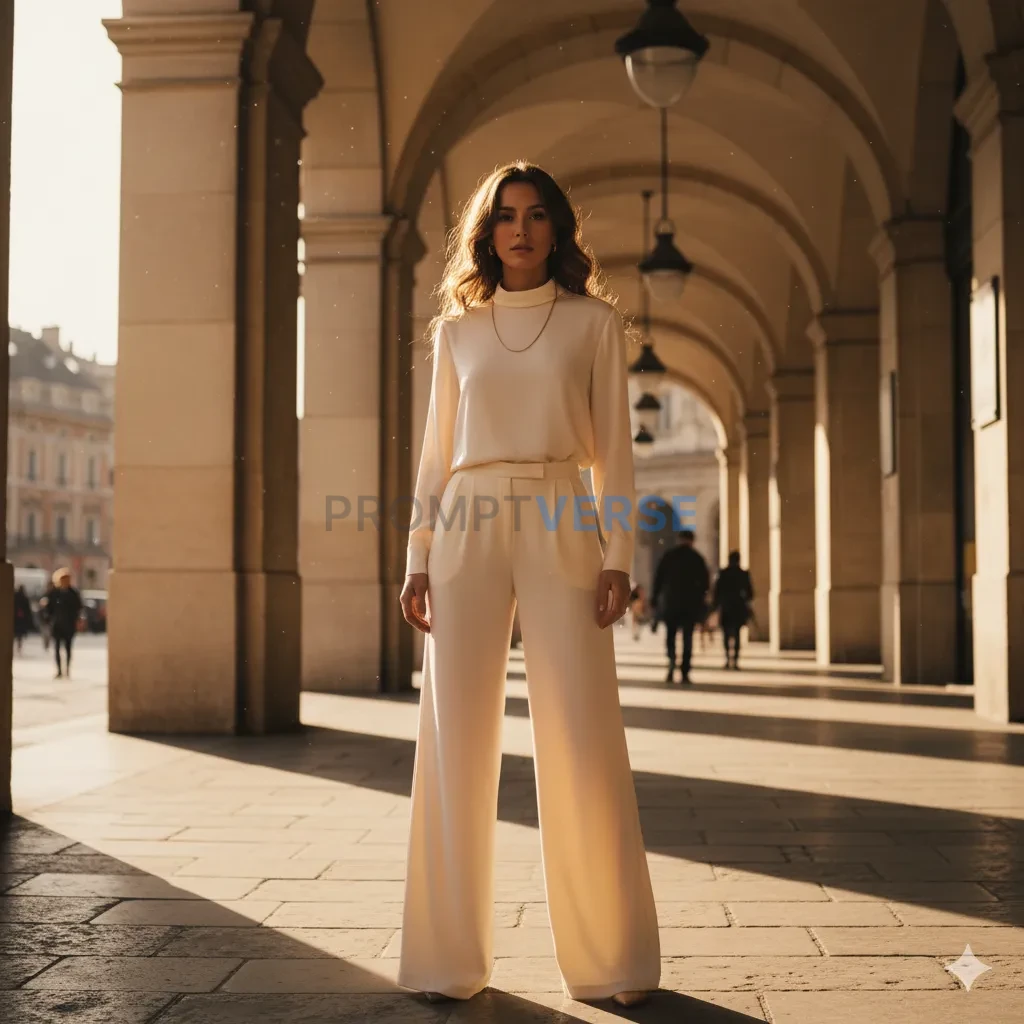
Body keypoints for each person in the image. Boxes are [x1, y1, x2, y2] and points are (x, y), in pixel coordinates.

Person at [398, 163, 660, 1008]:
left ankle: (609, 961)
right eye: (506, 215)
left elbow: (615, 450)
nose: (521, 229)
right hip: (467, 517)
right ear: (486, 230)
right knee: (453, 740)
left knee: (582, 733)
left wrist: (619, 552)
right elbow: (436, 454)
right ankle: (445, 961)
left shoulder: (592, 324)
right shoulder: (457, 333)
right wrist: (416, 554)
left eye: (537, 214)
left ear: (557, 230)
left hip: (559, 509)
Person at [651, 530, 710, 685]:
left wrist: (655, 600)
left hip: (671, 604)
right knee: (687, 638)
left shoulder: (669, 556)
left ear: (679, 539)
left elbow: (658, 579)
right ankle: (685, 671)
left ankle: (671, 663)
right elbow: (705, 584)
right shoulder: (697, 558)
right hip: (690, 606)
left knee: (670, 636)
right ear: (692, 541)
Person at [714, 551, 754, 670]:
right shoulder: (743, 574)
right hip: (738, 607)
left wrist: (715, 606)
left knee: (726, 634)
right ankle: (735, 660)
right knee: (737, 634)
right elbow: (750, 593)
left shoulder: (723, 573)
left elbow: (717, 591)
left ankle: (727, 659)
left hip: (726, 607)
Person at [41, 567, 82, 679]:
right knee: (57, 648)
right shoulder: (54, 593)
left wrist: (77, 620)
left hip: (69, 624)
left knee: (68, 648)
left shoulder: (73, 593)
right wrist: (48, 618)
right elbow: (49, 608)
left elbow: (78, 607)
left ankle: (67, 669)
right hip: (57, 624)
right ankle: (59, 670)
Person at [13, 584, 32, 656]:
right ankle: (18, 648)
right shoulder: (24, 598)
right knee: (19, 636)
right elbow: (28, 610)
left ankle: (17, 648)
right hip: (21, 620)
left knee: (16, 634)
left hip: (16, 619)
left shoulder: (15, 597)